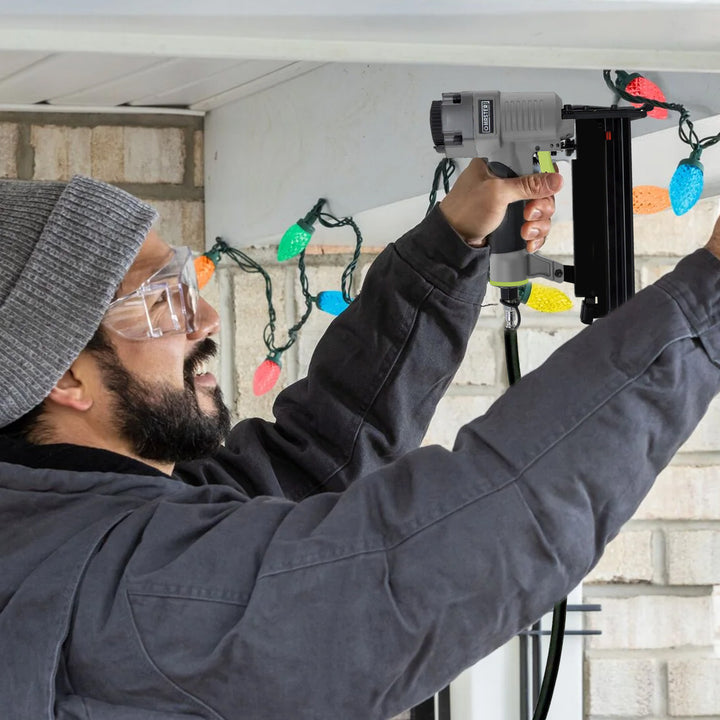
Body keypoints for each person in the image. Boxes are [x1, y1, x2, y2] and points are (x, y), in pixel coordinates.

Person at [0, 160, 718, 720]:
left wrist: (451, 243)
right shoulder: (124, 588)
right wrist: (704, 301)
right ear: (66, 376)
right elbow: (429, 560)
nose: (207, 317)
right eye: (163, 300)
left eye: (190, 282)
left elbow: (313, 460)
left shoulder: (60, 522)